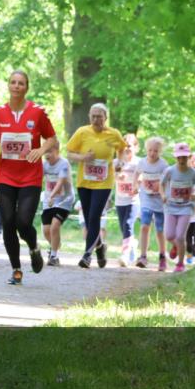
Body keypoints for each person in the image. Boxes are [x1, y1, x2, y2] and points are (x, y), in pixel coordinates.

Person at [0, 71, 58, 285]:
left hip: (30, 175)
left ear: (26, 88)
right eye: (13, 82)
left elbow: (52, 137)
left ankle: (33, 247)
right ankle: (16, 269)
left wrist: (41, 150)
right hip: (5, 175)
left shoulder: (37, 112)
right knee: (7, 222)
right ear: (8, 86)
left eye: (21, 83)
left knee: (23, 222)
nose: (16, 86)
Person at [66, 103, 127, 269]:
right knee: (88, 218)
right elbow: (69, 152)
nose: (95, 119)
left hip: (104, 182)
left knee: (94, 216)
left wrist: (120, 162)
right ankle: (100, 247)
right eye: (93, 116)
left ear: (105, 118)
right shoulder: (82, 132)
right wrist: (83, 158)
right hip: (84, 181)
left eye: (99, 116)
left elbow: (122, 149)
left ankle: (87, 255)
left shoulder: (113, 134)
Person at [160, 143, 195, 272]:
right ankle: (176, 246)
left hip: (186, 207)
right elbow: (161, 185)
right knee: (169, 235)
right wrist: (163, 195)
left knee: (180, 236)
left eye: (184, 157)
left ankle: (180, 264)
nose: (181, 160)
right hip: (170, 206)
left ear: (188, 157)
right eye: (179, 157)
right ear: (175, 157)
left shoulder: (194, 174)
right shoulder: (170, 171)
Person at [134, 136, 169, 269]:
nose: (152, 153)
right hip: (146, 199)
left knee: (160, 230)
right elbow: (136, 174)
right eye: (150, 150)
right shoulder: (142, 162)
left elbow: (168, 180)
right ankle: (143, 256)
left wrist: (161, 188)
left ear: (160, 152)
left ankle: (162, 257)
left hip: (159, 201)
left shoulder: (163, 165)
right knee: (144, 226)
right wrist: (135, 186)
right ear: (146, 150)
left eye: (155, 151)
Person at [41, 145, 74, 266]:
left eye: (50, 151)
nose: (47, 155)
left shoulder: (64, 163)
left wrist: (52, 196)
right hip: (48, 200)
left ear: (57, 151)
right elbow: (37, 177)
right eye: (45, 152)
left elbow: (60, 183)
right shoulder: (44, 164)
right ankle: (55, 244)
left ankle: (54, 256)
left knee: (55, 226)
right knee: (46, 231)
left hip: (64, 200)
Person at [113, 139, 140, 266]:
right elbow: (111, 176)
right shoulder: (117, 162)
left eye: (129, 146)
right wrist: (118, 176)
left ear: (135, 147)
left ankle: (124, 255)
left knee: (128, 224)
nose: (127, 148)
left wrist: (137, 184)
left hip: (133, 200)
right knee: (123, 228)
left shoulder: (139, 163)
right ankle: (132, 246)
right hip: (120, 200)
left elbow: (144, 176)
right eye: (124, 146)